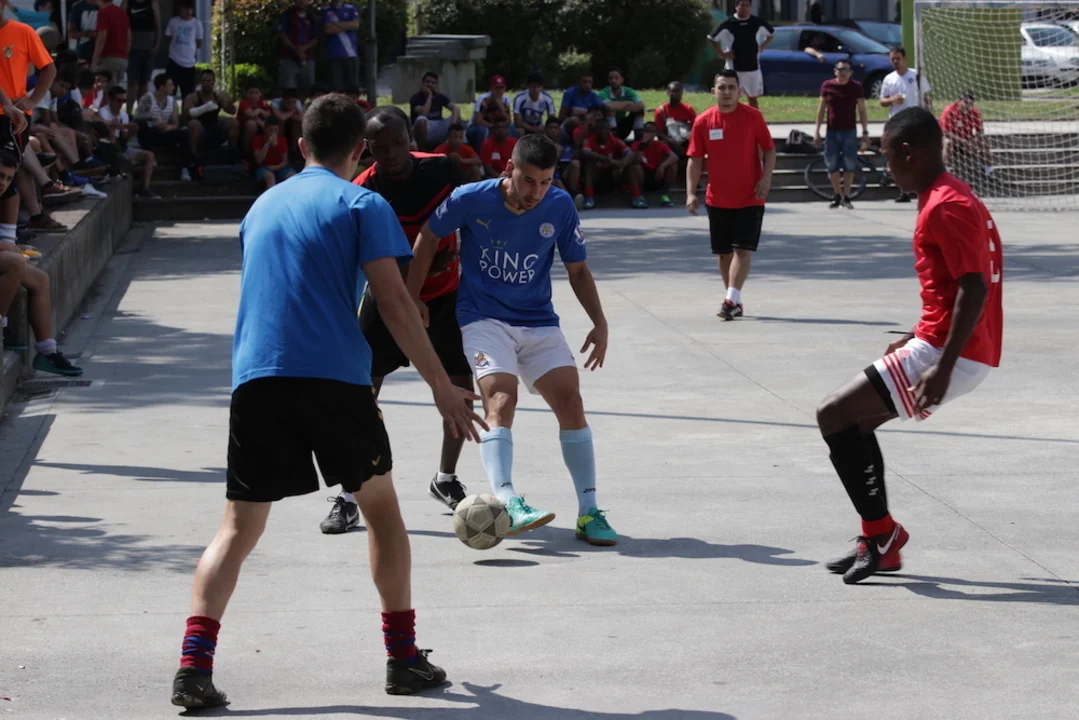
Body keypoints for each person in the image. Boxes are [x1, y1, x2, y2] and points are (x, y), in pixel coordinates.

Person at [169, 94, 485, 709]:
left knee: (237, 526)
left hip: (256, 377)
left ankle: (192, 668)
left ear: (300, 144)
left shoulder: (261, 205)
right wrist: (441, 386)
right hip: (335, 379)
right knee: (382, 511)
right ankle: (403, 659)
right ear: (360, 150)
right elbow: (395, 303)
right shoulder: (363, 203)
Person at [815, 106, 1003, 585]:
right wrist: (917, 333)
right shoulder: (945, 195)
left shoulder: (946, 205)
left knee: (833, 414)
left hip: (950, 352)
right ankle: (880, 538)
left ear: (908, 152)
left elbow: (974, 288)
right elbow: (948, 287)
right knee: (852, 422)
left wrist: (943, 366)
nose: (886, 168)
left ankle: (881, 535)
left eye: (886, 157)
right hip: (940, 342)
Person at [408, 132, 618, 547]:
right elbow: (429, 236)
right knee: (502, 399)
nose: (536, 191)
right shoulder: (471, 198)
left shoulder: (560, 206)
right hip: (483, 318)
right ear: (509, 169)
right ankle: (508, 501)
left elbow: (577, 270)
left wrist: (600, 322)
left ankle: (589, 511)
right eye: (528, 180)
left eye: (545, 181)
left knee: (571, 402)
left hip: (538, 320)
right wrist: (412, 296)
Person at [317, 105, 474, 534]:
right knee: (359, 396)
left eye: (398, 143)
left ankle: (445, 479)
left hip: (444, 299)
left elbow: (475, 221)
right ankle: (350, 495)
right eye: (379, 146)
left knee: (460, 392)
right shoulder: (361, 190)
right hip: (386, 304)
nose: (390, 153)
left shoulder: (444, 171)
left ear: (411, 139)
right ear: (365, 147)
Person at [686, 71, 775, 321]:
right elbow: (694, 159)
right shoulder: (703, 121)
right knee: (723, 253)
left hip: (750, 196)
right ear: (713, 91)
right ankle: (733, 299)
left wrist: (766, 178)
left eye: (731, 88)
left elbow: (769, 150)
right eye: (722, 87)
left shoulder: (752, 117)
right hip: (718, 198)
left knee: (742, 249)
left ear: (739, 92)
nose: (726, 92)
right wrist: (691, 192)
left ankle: (730, 300)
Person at [0, 5, 67, 233]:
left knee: (9, 169)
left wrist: (32, 101)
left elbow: (48, 68)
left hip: (13, 117)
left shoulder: (23, 32)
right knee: (12, 170)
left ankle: (13, 234)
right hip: (10, 111)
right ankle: (35, 215)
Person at [813, 58, 870, 209]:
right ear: (835, 71)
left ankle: (847, 195)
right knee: (831, 164)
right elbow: (821, 109)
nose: (842, 73)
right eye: (840, 69)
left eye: (846, 70)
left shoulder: (856, 87)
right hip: (832, 131)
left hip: (850, 131)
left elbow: (862, 110)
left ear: (851, 72)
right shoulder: (827, 86)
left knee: (850, 164)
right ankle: (837, 194)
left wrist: (865, 131)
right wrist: (817, 131)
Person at [880, 46, 931, 202]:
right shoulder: (889, 78)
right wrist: (892, 100)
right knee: (899, 156)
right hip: (897, 123)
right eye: (892, 59)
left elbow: (927, 96)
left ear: (904, 59)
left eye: (898, 58)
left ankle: (919, 187)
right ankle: (904, 191)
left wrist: (927, 114)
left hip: (914, 121)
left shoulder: (915, 75)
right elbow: (882, 101)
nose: (895, 62)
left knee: (915, 155)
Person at [709, 0, 775, 109]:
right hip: (733, 69)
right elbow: (712, 38)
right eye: (742, 5)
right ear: (736, 6)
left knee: (752, 98)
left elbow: (771, 33)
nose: (744, 8)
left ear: (750, 7)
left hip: (753, 68)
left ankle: (754, 118)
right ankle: (732, 117)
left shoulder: (757, 22)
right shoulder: (728, 23)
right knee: (732, 97)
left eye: (747, 5)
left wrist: (763, 45)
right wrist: (722, 53)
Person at [98, 84, 158, 197]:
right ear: (110, 99)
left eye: (123, 101)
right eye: (118, 101)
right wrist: (114, 127)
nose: (121, 104)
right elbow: (107, 136)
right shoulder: (103, 112)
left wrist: (131, 131)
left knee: (149, 156)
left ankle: (145, 188)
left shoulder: (123, 115)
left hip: (122, 147)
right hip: (108, 147)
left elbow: (124, 140)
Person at [581, 118, 645, 210]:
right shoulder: (588, 141)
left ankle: (637, 197)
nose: (603, 131)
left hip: (613, 176)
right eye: (601, 129)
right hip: (597, 178)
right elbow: (586, 152)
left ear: (609, 130)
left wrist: (622, 163)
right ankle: (589, 198)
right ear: (596, 130)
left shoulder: (616, 141)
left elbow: (630, 153)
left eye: (606, 129)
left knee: (629, 166)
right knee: (589, 166)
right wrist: (605, 159)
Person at [183, 69, 238, 163]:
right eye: (204, 81)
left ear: (214, 82)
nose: (207, 83)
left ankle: (231, 153)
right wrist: (205, 108)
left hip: (215, 126)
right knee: (193, 124)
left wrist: (226, 100)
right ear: (200, 82)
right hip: (200, 129)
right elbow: (187, 114)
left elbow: (232, 111)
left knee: (233, 122)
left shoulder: (218, 96)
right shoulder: (192, 97)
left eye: (209, 81)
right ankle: (193, 156)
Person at [940, 91, 992, 189]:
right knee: (948, 142)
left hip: (967, 140)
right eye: (966, 103)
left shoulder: (974, 112)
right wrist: (963, 142)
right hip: (953, 141)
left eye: (971, 104)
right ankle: (947, 171)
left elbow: (980, 130)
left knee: (983, 140)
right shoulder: (949, 111)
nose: (968, 106)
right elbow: (945, 132)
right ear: (959, 101)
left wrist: (975, 140)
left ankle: (989, 172)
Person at [123, 0, 160, 113]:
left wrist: (156, 45)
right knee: (132, 82)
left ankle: (142, 113)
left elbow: (158, 25)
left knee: (144, 82)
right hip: (132, 49)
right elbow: (120, 23)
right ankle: (129, 112)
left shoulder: (152, 3)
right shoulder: (127, 3)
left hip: (148, 48)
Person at [410, 71, 460, 151]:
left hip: (438, 126)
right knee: (421, 119)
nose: (430, 84)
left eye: (433, 83)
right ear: (423, 83)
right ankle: (422, 150)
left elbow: (455, 107)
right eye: (427, 82)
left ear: (436, 85)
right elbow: (424, 112)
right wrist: (429, 96)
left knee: (456, 110)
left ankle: (450, 142)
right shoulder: (415, 98)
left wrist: (453, 125)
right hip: (423, 129)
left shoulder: (440, 97)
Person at [276, 0, 318, 95]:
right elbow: (282, 35)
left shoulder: (312, 17)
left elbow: (316, 37)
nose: (302, 1)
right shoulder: (286, 15)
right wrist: (295, 49)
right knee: (288, 90)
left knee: (307, 90)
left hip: (308, 58)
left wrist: (304, 49)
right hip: (288, 57)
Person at [631, 121, 677, 208]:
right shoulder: (636, 145)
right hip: (643, 177)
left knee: (672, 165)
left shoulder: (660, 145)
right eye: (647, 131)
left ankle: (664, 196)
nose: (649, 134)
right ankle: (638, 197)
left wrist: (662, 166)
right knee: (635, 167)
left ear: (655, 133)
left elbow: (674, 156)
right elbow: (636, 160)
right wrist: (643, 143)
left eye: (652, 131)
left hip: (657, 175)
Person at [164, 0, 203, 99]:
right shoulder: (173, 21)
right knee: (170, 92)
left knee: (188, 94)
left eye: (190, 9)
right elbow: (168, 37)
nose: (188, 11)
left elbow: (199, 42)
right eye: (185, 8)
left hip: (189, 63)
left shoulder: (196, 23)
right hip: (174, 60)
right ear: (180, 9)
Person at [90, 0, 129, 93]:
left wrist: (94, 59)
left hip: (108, 58)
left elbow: (102, 37)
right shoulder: (122, 13)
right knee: (114, 91)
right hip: (122, 59)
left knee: (106, 92)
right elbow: (129, 37)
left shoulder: (103, 12)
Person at [321, 0, 360, 92]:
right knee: (336, 89)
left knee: (352, 88)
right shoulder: (326, 10)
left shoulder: (351, 8)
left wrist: (335, 23)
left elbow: (355, 25)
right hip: (333, 55)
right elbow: (328, 30)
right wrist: (347, 25)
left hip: (351, 54)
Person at [598, 68, 645, 141]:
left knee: (639, 111)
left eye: (616, 78)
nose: (613, 80)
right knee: (610, 111)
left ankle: (638, 140)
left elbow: (641, 105)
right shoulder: (603, 93)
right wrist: (628, 103)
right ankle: (612, 140)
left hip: (622, 126)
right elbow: (609, 106)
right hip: (605, 128)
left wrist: (616, 106)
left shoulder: (628, 91)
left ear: (622, 80)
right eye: (610, 78)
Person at [653, 81, 697, 158]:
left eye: (678, 91)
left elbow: (695, 128)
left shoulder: (688, 109)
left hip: (686, 141)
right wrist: (672, 142)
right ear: (668, 93)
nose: (675, 94)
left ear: (682, 92)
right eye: (673, 92)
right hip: (669, 142)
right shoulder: (661, 111)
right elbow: (658, 132)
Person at [466, 75, 510, 151]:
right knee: (483, 130)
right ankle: (481, 154)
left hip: (495, 127)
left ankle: (507, 153)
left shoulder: (506, 100)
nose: (499, 91)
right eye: (496, 88)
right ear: (491, 89)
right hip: (475, 128)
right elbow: (478, 121)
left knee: (511, 129)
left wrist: (501, 107)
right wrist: (494, 127)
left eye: (501, 88)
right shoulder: (483, 99)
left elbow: (508, 121)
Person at [252, 116, 294, 191]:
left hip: (280, 167)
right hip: (264, 167)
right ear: (265, 129)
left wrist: (276, 167)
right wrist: (267, 144)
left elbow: (285, 161)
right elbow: (258, 160)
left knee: (292, 176)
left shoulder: (282, 140)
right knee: (270, 177)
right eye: (270, 130)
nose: (273, 133)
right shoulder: (258, 139)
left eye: (275, 130)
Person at [67, 0, 99, 66]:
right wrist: (87, 34)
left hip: (100, 51)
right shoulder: (77, 6)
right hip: (82, 52)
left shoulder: (102, 5)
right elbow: (71, 33)